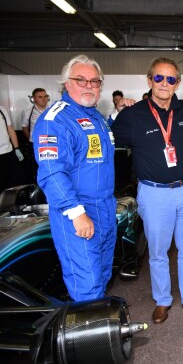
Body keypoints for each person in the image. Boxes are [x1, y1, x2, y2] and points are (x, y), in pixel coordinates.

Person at [112, 57, 183, 324]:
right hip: (153, 192)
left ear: (177, 83)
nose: (164, 83)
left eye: (170, 79)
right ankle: (163, 300)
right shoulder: (132, 116)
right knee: (158, 251)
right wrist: (119, 108)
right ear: (149, 81)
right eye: (159, 78)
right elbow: (106, 134)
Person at [33, 55, 116, 301]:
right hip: (78, 211)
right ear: (66, 83)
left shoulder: (96, 116)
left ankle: (101, 328)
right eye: (81, 80)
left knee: (101, 273)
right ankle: (91, 337)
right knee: (86, 281)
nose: (89, 85)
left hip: (105, 207)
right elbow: (51, 172)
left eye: (94, 81)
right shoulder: (55, 120)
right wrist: (76, 212)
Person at [0, 105, 25, 193]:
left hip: (8, 152)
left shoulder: (2, 109)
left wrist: (16, 148)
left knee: (16, 180)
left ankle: (11, 205)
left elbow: (10, 129)